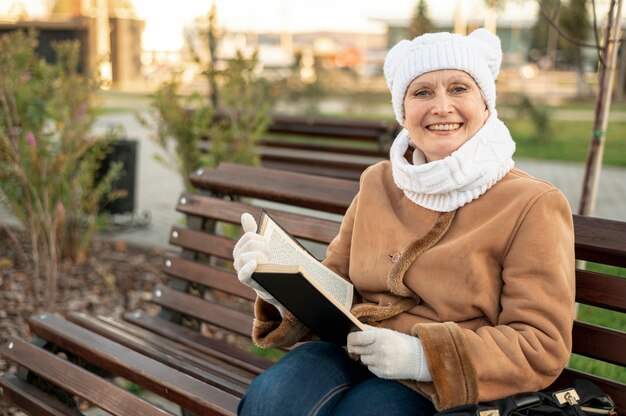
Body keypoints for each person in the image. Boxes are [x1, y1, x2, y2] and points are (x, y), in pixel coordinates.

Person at [233, 28, 576, 416]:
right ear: (403, 110)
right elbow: (337, 283)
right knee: (272, 399)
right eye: (422, 92)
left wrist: (422, 356)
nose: (441, 107)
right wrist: (279, 285)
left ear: (486, 104)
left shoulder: (532, 204)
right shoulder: (378, 181)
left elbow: (541, 344)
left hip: (442, 381)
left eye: (460, 88)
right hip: (352, 345)